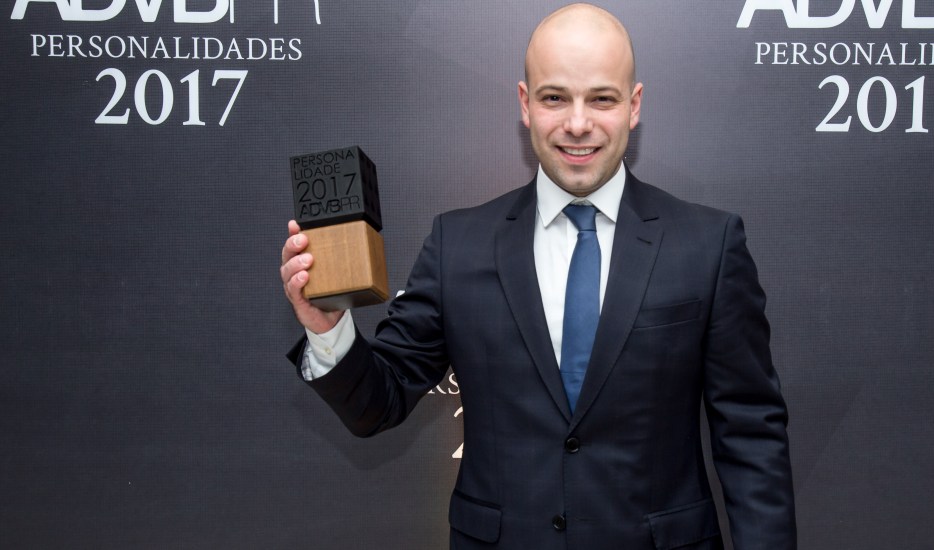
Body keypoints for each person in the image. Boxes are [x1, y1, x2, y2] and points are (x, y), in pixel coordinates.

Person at [280, 4, 796, 548]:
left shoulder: (708, 245)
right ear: (525, 104)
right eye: (555, 98)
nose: (578, 123)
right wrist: (327, 329)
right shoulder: (458, 245)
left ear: (634, 105)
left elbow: (750, 435)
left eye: (602, 98)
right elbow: (377, 404)